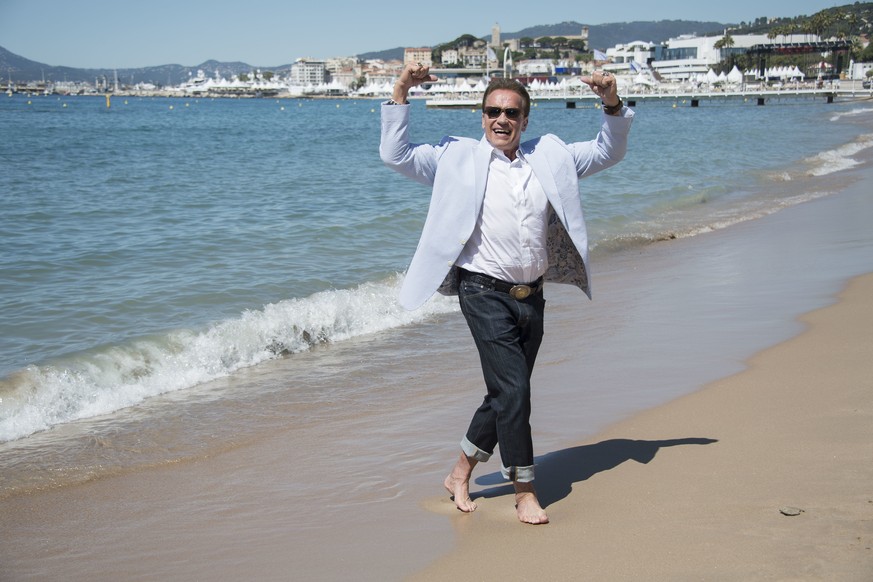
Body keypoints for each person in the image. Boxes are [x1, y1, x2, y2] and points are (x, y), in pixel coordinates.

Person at [380, 63, 633, 524]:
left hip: (530, 295)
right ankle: (524, 490)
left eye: (512, 113)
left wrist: (611, 102)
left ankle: (460, 472)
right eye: (493, 111)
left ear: (525, 120)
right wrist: (400, 91)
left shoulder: (551, 156)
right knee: (515, 389)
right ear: (482, 117)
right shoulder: (454, 157)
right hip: (480, 290)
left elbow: (608, 151)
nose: (501, 120)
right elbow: (396, 154)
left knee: (505, 393)